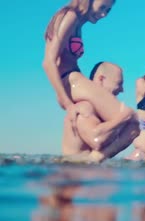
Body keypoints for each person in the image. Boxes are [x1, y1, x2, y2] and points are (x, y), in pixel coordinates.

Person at [43, 0, 134, 133]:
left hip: (74, 80)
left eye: (108, 10)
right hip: (70, 81)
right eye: (102, 7)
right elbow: (48, 62)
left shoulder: (77, 22)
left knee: (115, 125)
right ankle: (96, 155)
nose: (104, 14)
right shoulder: (70, 16)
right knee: (130, 123)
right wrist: (68, 104)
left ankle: (88, 154)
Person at [62, 62, 139, 162]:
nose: (122, 90)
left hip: (90, 170)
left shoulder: (100, 112)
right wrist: (123, 117)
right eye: (119, 83)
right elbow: (96, 140)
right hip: (77, 172)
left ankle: (96, 159)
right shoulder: (84, 106)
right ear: (101, 79)